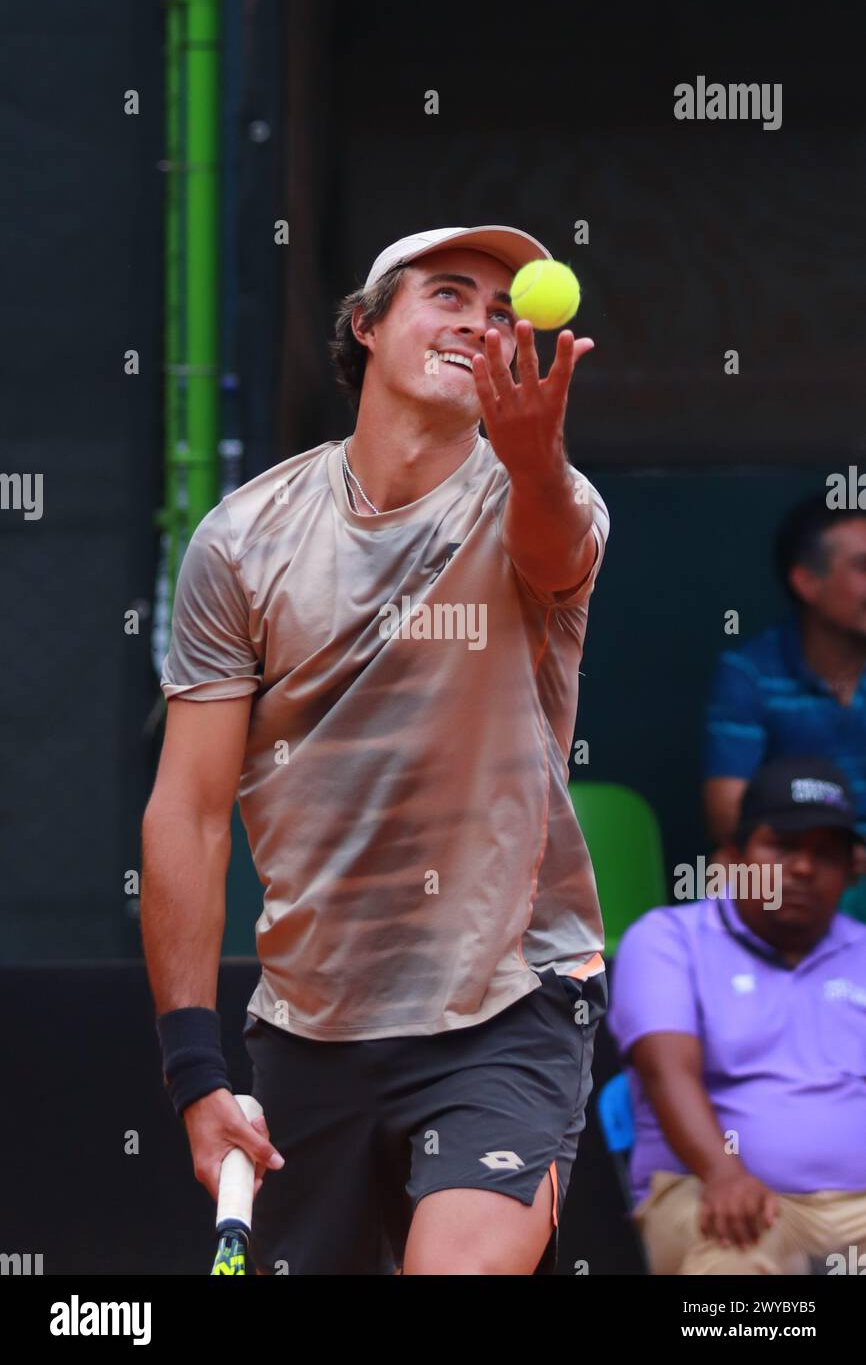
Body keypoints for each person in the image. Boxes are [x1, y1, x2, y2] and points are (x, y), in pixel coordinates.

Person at [141, 225, 610, 1275]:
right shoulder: (243, 540)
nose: (479, 324)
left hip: (509, 997)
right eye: (448, 295)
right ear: (366, 324)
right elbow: (189, 809)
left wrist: (535, 464)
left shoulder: (541, 499)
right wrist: (193, 1070)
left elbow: (553, 542)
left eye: (502, 313)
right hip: (310, 1022)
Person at [608, 756, 866, 1275]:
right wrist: (724, 1174)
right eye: (783, 846)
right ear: (732, 857)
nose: (802, 868)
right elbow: (666, 1072)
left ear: (851, 870)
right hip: (718, 1191)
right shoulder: (670, 939)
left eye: (826, 853)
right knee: (734, 1258)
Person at [703, 492, 866, 922]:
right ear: (807, 582)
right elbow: (729, 815)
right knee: (727, 870)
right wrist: (834, 854)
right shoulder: (751, 671)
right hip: (808, 854)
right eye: (863, 567)